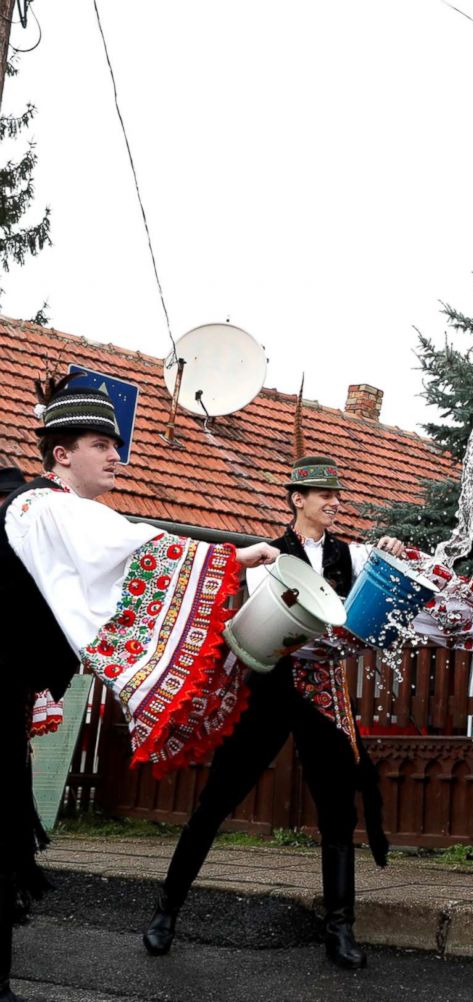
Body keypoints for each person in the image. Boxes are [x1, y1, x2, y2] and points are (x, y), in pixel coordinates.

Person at [3, 377, 279, 1002]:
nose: (116, 455)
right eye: (101, 443)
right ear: (61, 453)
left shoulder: (60, 513)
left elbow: (108, 574)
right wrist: (232, 558)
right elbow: (129, 553)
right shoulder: (41, 506)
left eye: (116, 444)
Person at [143, 456, 410, 968]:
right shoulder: (266, 555)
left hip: (325, 695)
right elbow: (254, 623)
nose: (334, 501)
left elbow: (386, 585)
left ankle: (340, 931)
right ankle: (165, 913)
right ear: (297, 499)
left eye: (337, 494)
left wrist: (393, 551)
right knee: (216, 801)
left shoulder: (351, 555)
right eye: (322, 494)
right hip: (267, 689)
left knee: (338, 810)